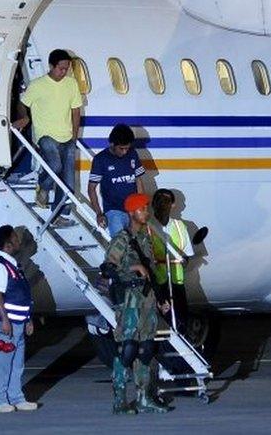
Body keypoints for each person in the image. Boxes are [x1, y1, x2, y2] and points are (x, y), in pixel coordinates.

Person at [101, 193, 170, 415]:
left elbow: (151, 271)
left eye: (147, 208)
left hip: (147, 299)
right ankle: (119, 399)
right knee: (128, 349)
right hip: (129, 300)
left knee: (146, 349)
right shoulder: (122, 239)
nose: (146, 212)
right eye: (142, 209)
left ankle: (144, 397)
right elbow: (107, 268)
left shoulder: (146, 239)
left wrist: (161, 299)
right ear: (132, 213)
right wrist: (131, 269)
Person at [13, 49, 83, 227]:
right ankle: (43, 187)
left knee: (68, 182)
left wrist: (74, 137)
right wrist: (25, 117)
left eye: (66, 68)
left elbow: (76, 111)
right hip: (45, 135)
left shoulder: (71, 85)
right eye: (61, 68)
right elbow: (23, 103)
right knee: (55, 166)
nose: (64, 72)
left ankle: (59, 215)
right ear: (51, 66)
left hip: (67, 136)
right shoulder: (37, 85)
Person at [0, 225, 38, 413]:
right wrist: (4, 320)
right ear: (8, 243)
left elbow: (21, 295)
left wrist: (28, 319)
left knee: (16, 363)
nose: (19, 240)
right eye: (16, 237)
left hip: (18, 323)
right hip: (4, 324)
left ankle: (16, 397)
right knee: (1, 363)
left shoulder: (13, 265)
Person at [88, 124, 146, 238]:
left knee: (139, 247)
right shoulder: (100, 159)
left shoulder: (133, 154)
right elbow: (91, 189)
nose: (125, 152)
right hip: (114, 211)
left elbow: (139, 180)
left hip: (134, 211)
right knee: (120, 247)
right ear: (112, 144)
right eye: (121, 148)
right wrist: (99, 213)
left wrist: (142, 206)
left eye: (127, 148)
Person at [149, 189, 194, 334]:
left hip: (176, 280)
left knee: (181, 319)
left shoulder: (180, 226)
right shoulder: (148, 226)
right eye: (159, 201)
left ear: (173, 205)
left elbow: (187, 254)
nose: (162, 205)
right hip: (157, 282)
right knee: (161, 320)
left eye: (166, 202)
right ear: (153, 204)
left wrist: (182, 261)